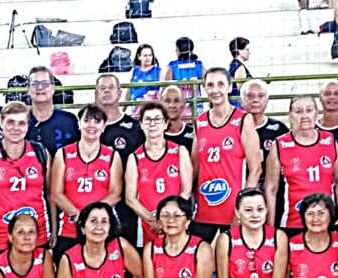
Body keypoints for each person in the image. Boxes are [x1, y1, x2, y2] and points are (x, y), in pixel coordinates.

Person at [0, 102, 53, 260]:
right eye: (10, 122)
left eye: (21, 123)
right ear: (1, 123)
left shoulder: (41, 153)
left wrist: (54, 230)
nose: (16, 128)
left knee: (40, 275)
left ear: (28, 126)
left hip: (38, 233)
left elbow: (51, 194)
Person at [190, 68, 261, 244]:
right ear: (205, 89)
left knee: (232, 258)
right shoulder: (200, 122)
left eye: (220, 84)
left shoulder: (243, 120)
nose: (215, 90)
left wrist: (242, 207)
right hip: (204, 210)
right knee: (198, 257)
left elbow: (256, 169)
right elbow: (194, 168)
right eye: (210, 85)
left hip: (232, 210)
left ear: (229, 87)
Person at [49, 104, 122, 262]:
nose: (91, 125)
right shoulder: (63, 154)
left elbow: (116, 193)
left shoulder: (112, 155)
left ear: (104, 126)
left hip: (101, 230)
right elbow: (56, 193)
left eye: (97, 121)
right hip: (69, 229)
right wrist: (79, 216)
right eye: (86, 120)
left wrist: (92, 216)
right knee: (65, 274)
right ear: (79, 123)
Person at [266, 96, 338, 234]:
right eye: (298, 111)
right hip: (292, 222)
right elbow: (271, 189)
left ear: (317, 113)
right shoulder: (280, 144)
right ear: (290, 115)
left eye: (309, 110)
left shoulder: (330, 140)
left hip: (327, 221)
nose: (304, 116)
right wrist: (270, 227)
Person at [125, 101, 194, 248]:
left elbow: (186, 190)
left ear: (165, 123)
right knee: (151, 258)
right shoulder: (134, 158)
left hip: (176, 222)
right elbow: (130, 198)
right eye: (147, 119)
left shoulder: (180, 151)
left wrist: (169, 218)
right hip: (149, 226)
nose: (152, 124)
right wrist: (153, 221)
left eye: (157, 119)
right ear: (141, 124)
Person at [240, 79, 289, 190]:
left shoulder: (279, 129)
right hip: (242, 189)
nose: (255, 100)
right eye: (250, 96)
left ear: (267, 100)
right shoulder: (234, 129)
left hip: (274, 190)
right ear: (241, 101)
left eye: (260, 96)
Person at [26, 65, 79, 155]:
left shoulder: (69, 120)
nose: (40, 87)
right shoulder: (19, 121)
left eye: (45, 83)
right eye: (34, 84)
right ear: (28, 89)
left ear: (53, 88)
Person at [96, 74, 145, 158]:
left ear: (119, 93)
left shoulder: (136, 126)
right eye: (102, 88)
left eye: (111, 87)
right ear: (96, 94)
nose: (106, 90)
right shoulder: (89, 128)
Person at [163, 37, 203, 121]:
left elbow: (166, 86)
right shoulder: (198, 65)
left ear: (177, 50)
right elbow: (208, 83)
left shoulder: (172, 66)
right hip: (195, 106)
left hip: (178, 106)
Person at [129, 44, 160, 109]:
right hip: (135, 107)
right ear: (139, 57)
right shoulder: (134, 71)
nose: (148, 58)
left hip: (151, 107)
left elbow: (162, 92)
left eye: (150, 55)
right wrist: (123, 109)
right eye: (145, 55)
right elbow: (129, 91)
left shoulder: (158, 71)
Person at [227, 37, 251, 107]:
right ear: (239, 51)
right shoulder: (239, 67)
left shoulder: (233, 65)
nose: (249, 52)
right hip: (238, 104)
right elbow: (241, 90)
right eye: (247, 49)